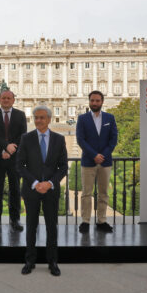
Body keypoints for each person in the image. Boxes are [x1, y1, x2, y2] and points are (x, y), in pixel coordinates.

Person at [17, 106, 68, 277]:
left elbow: (63, 167)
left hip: (51, 191)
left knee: (52, 227)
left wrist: (50, 183)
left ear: (49, 119)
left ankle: (52, 262)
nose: (38, 120)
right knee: (31, 226)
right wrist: (36, 183)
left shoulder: (59, 139)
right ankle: (29, 261)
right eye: (36, 117)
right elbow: (20, 165)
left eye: (42, 117)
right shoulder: (26, 138)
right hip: (32, 190)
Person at [76, 90, 118, 233]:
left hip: (105, 162)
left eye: (97, 100)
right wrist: (94, 155)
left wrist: (102, 155)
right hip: (88, 161)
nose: (94, 103)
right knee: (86, 193)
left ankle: (101, 221)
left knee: (103, 193)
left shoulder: (110, 118)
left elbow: (113, 139)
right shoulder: (82, 118)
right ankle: (85, 221)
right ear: (89, 101)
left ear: (102, 102)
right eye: (92, 100)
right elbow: (80, 140)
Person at [0, 89, 27, 232]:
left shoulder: (21, 115)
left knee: (15, 189)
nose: (6, 100)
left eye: (9, 98)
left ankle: (15, 220)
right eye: (3, 98)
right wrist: (5, 147)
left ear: (13, 100)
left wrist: (10, 150)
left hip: (14, 158)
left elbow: (23, 135)